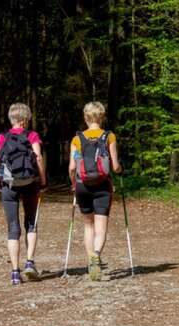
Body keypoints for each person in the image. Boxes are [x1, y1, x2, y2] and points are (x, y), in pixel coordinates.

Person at [0, 103, 47, 285]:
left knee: (13, 228)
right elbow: (38, 159)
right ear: (25, 120)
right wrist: (43, 181)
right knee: (31, 222)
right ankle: (30, 262)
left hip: (9, 184)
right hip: (30, 183)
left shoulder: (2, 137)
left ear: (12, 119)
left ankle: (15, 273)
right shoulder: (32, 136)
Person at [68, 101, 123, 281]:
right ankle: (96, 256)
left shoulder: (77, 139)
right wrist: (120, 169)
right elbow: (114, 166)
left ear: (85, 118)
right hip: (103, 185)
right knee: (101, 227)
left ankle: (91, 257)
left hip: (82, 185)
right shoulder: (109, 136)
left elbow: (71, 167)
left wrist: (73, 184)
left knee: (88, 225)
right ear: (102, 117)